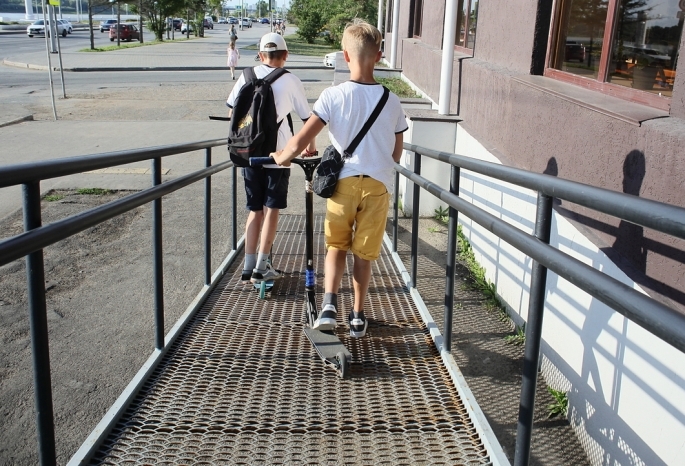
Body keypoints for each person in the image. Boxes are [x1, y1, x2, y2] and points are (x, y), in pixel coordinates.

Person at [272, 19, 408, 338]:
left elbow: (300, 140)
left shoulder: (333, 96)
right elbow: (397, 151)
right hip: (377, 188)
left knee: (336, 246)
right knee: (364, 254)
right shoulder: (392, 100)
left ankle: (329, 305)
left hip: (344, 185)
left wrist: (280, 157)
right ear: (379, 56)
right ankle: (358, 316)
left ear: (345, 56)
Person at [226, 32, 315, 285]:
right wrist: (309, 147)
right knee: (271, 208)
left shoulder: (246, 75)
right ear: (285, 55)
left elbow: (233, 110)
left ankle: (248, 265)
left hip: (249, 154)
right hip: (279, 156)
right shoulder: (290, 79)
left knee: (254, 210)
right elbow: (307, 119)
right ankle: (263, 266)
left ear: (260, 55)